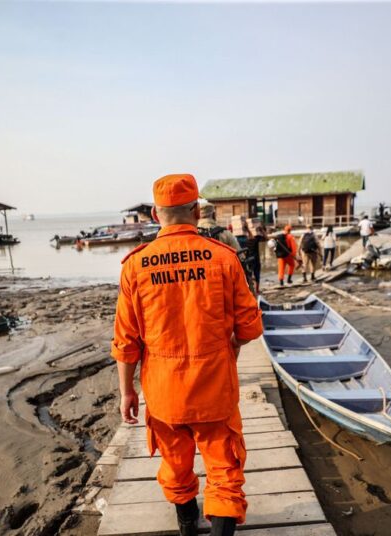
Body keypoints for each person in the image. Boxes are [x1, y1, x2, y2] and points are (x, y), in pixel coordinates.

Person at [112, 174, 263, 536]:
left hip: (164, 391)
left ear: (154, 213)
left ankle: (186, 526)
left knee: (176, 464)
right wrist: (230, 353)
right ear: (196, 211)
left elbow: (126, 339)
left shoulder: (136, 265)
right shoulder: (224, 258)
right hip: (215, 387)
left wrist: (127, 392)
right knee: (224, 468)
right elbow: (249, 325)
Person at [244, 223, 267, 294]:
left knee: (250, 275)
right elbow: (266, 237)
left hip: (250, 260)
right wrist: (262, 230)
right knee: (255, 275)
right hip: (255, 260)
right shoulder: (255, 239)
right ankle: (254, 290)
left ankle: (253, 290)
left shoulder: (246, 240)